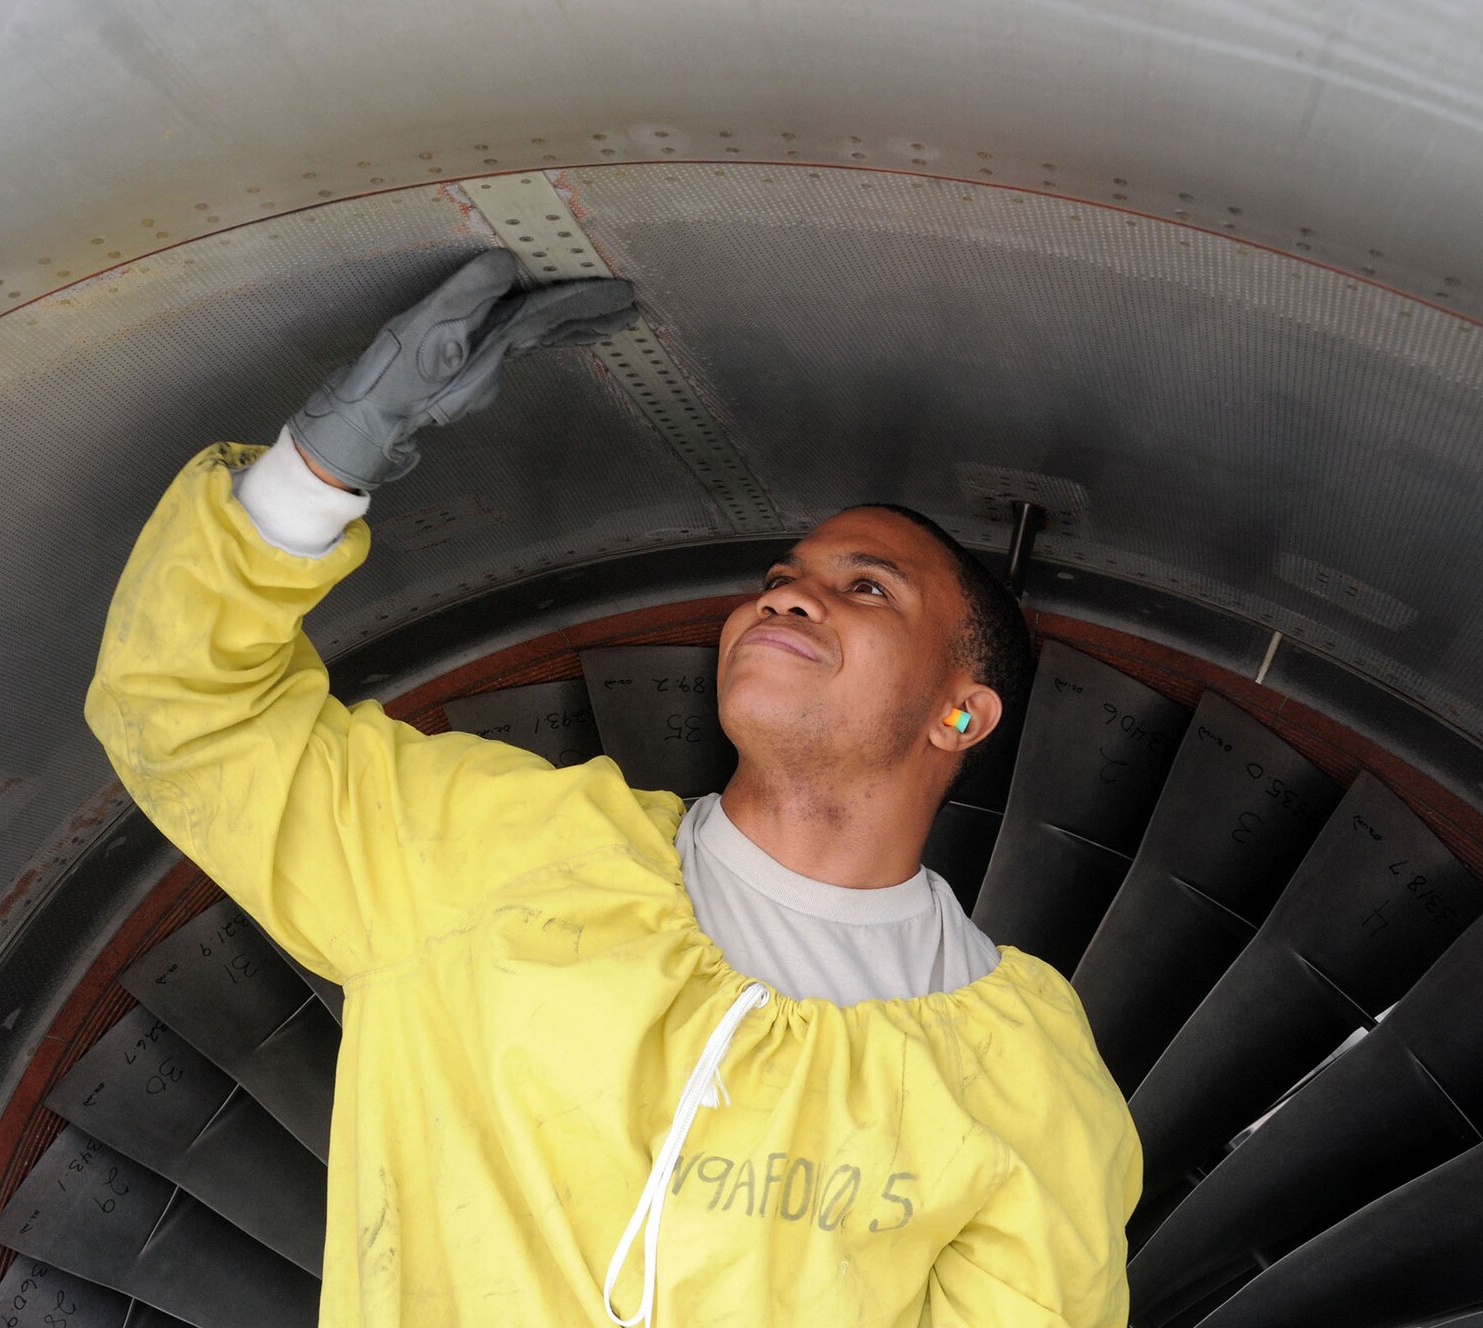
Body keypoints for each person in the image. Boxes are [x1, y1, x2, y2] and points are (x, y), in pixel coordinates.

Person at [86, 249, 1141, 1326]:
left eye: (862, 588)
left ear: (957, 712)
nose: (784, 600)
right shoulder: (488, 850)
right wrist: (322, 460)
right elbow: (188, 712)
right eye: (777, 582)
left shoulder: (1022, 1081)